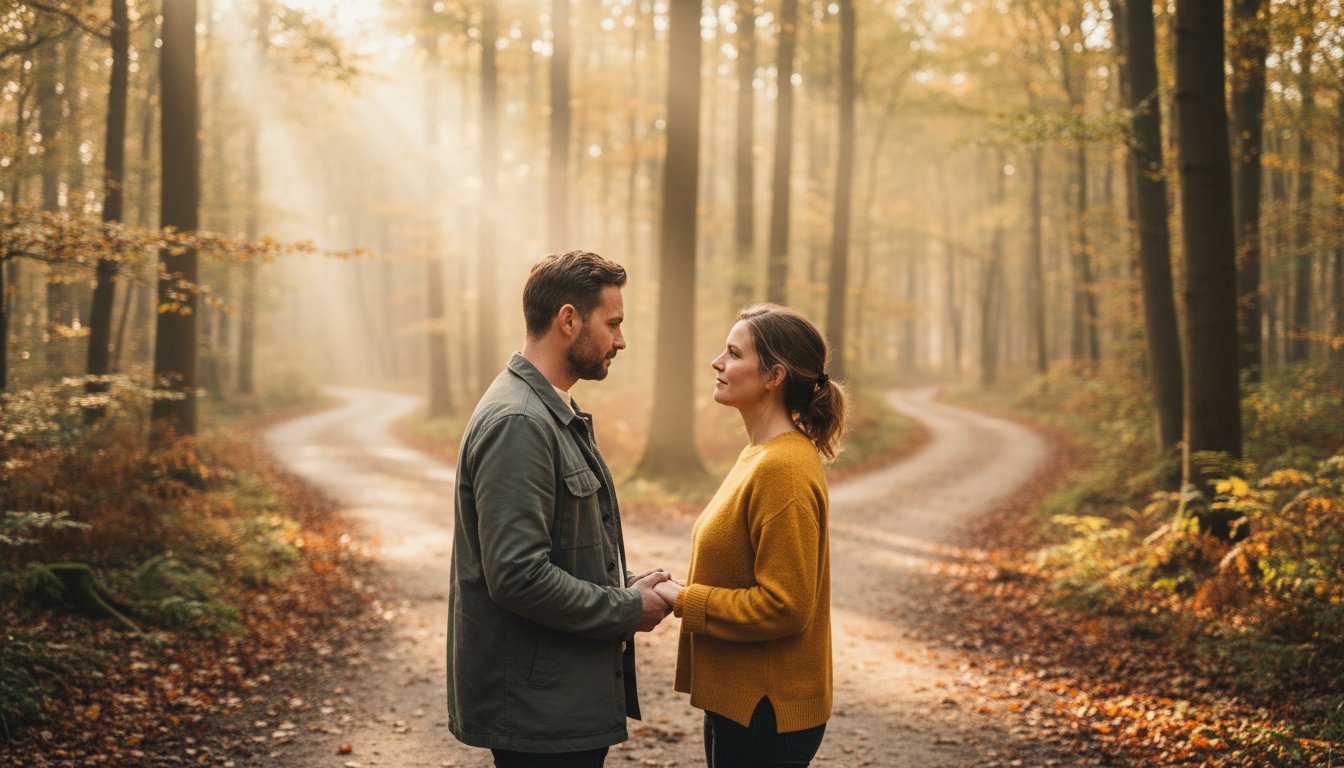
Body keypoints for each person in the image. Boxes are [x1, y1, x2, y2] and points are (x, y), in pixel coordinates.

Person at [447, 250, 672, 768]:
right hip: (537, 712)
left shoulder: (550, 410)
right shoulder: (520, 422)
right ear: (568, 319)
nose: (621, 340)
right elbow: (519, 576)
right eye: (613, 323)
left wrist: (627, 584)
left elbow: (557, 551)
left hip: (554, 701)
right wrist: (628, 609)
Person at [654, 303, 845, 768]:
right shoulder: (758, 456)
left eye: (733, 353)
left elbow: (786, 605)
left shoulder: (785, 469)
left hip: (767, 713)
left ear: (773, 376)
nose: (717, 363)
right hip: (742, 703)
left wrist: (685, 599)